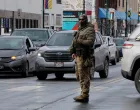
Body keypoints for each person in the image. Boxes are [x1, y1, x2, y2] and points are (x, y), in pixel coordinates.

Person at [69, 14, 95, 103]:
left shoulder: (90, 29)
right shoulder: (80, 29)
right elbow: (74, 42)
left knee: (84, 75)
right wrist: (72, 51)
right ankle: (82, 93)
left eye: (82, 19)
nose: (80, 21)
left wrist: (80, 41)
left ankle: (85, 94)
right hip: (78, 56)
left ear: (86, 20)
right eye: (79, 19)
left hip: (85, 56)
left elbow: (90, 42)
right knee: (79, 75)